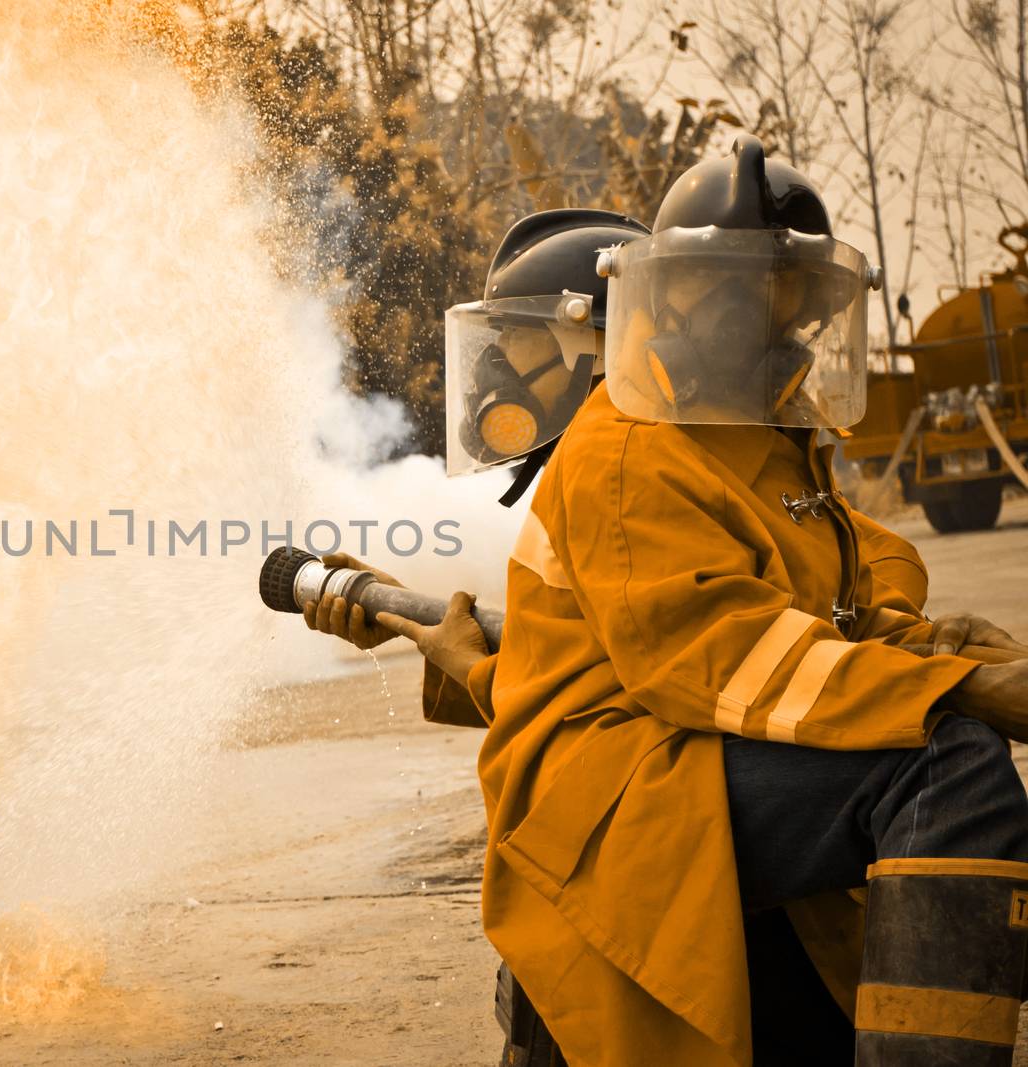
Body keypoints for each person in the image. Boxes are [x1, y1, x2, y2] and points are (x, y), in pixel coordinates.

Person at [305, 136, 1028, 1066]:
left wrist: (933, 652)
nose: (761, 322)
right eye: (729, 293)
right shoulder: (624, 449)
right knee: (949, 766)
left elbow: (787, 620)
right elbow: (703, 658)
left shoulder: (766, 448)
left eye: (782, 297)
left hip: (673, 755)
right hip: (623, 784)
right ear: (663, 300)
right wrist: (957, 689)